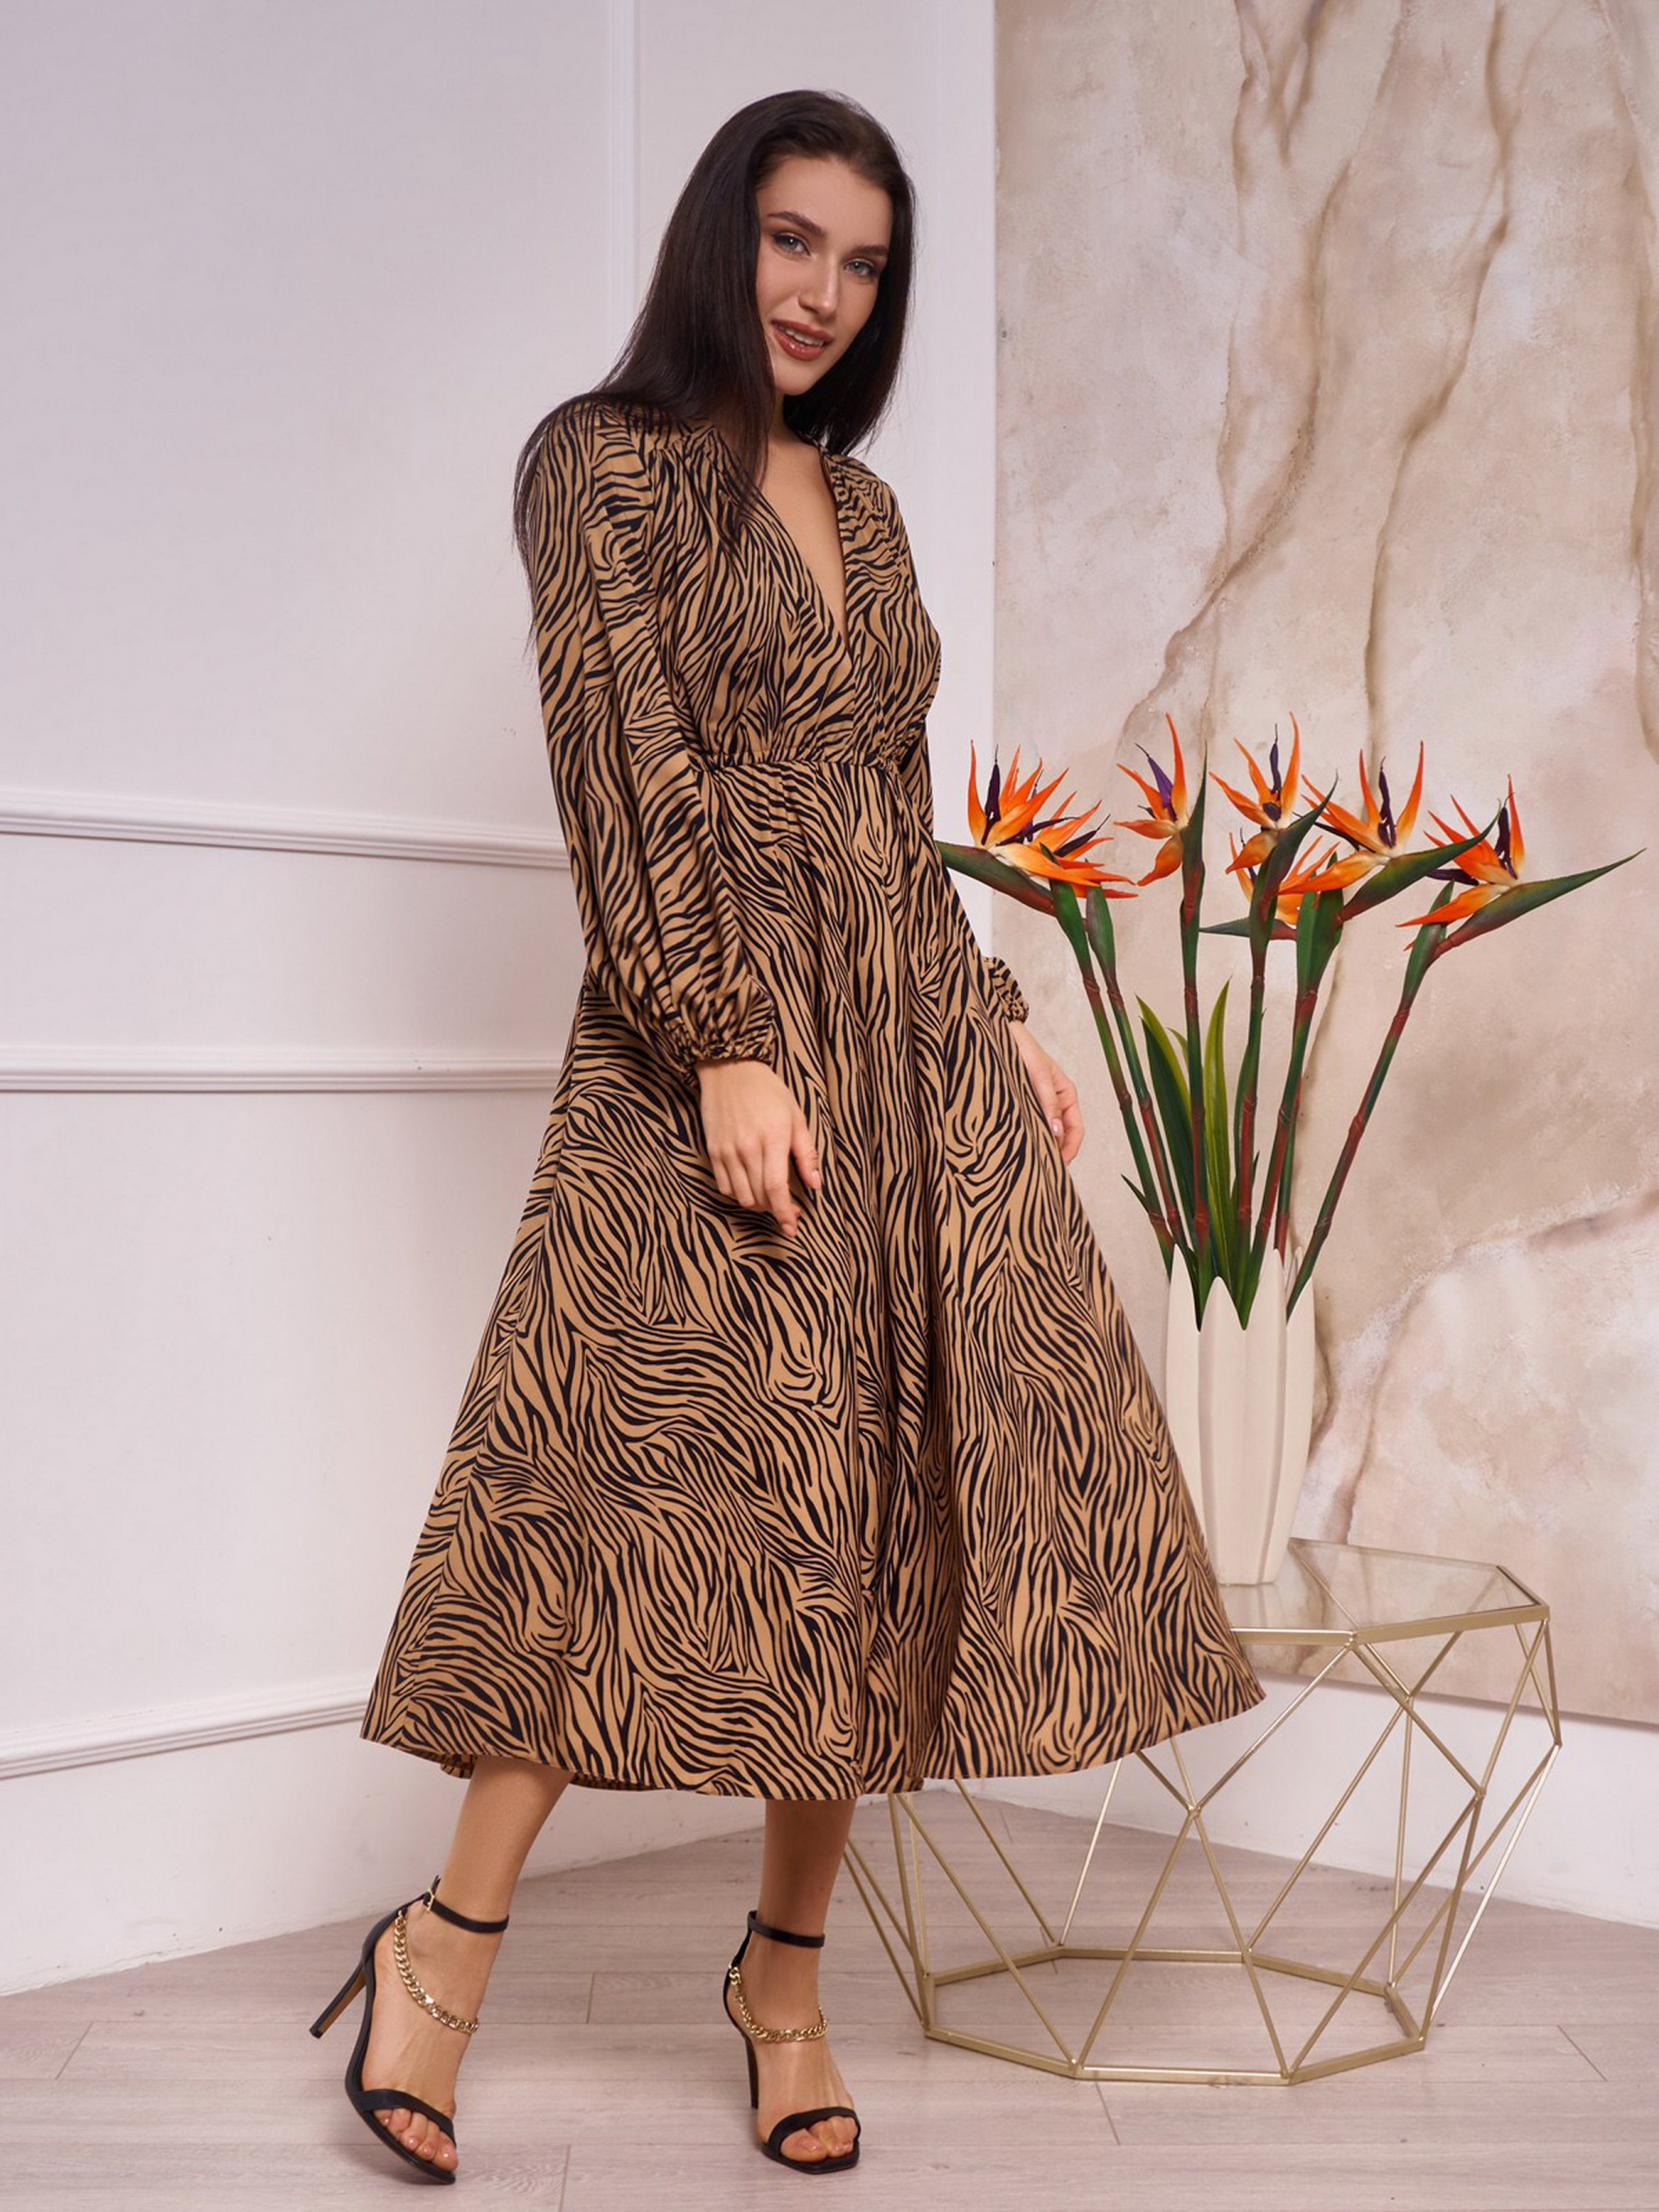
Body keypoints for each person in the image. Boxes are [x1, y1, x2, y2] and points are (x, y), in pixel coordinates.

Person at [313, 88, 1267, 2187]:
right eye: (790, 239)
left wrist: (989, 1013)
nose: (824, 291)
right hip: (708, 1042)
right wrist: (722, 1046)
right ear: (716, 238)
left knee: (864, 1506)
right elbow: (624, 765)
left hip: (902, 1043)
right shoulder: (600, 464)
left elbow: (887, 811)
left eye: (862, 261)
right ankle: (439, 1949)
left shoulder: (869, 510)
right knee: (615, 1494)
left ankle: (783, 1983)